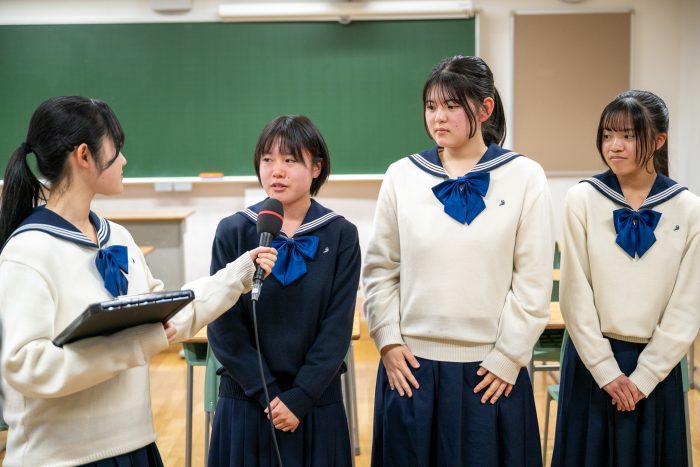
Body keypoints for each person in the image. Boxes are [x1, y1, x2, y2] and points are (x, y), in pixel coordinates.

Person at [0, 96, 277, 467]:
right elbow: (26, 366)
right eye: (116, 149)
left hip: (136, 447)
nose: (125, 161)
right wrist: (134, 345)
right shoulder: (28, 251)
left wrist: (236, 275)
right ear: (84, 155)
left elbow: (166, 319)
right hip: (61, 459)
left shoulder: (118, 238)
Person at [362, 55, 554, 467]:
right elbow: (380, 270)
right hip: (411, 370)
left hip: (492, 373)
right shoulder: (401, 175)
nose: (438, 117)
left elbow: (533, 280)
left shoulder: (525, 177)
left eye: (451, 106)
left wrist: (508, 357)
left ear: (485, 109)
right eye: (431, 106)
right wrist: (388, 340)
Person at [552, 90, 700, 467]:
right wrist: (605, 370)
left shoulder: (689, 208)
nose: (614, 146)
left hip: (658, 367)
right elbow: (575, 293)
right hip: (591, 362)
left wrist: (647, 375)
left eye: (628, 136)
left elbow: (688, 303)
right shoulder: (582, 199)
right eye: (607, 135)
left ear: (659, 140)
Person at [207, 115, 361, 467]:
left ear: (316, 168)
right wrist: (268, 395)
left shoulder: (340, 234)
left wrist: (300, 396)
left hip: (314, 401)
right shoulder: (233, 230)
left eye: (290, 160)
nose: (277, 171)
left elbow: (337, 327)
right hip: (248, 401)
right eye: (268, 159)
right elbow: (223, 325)